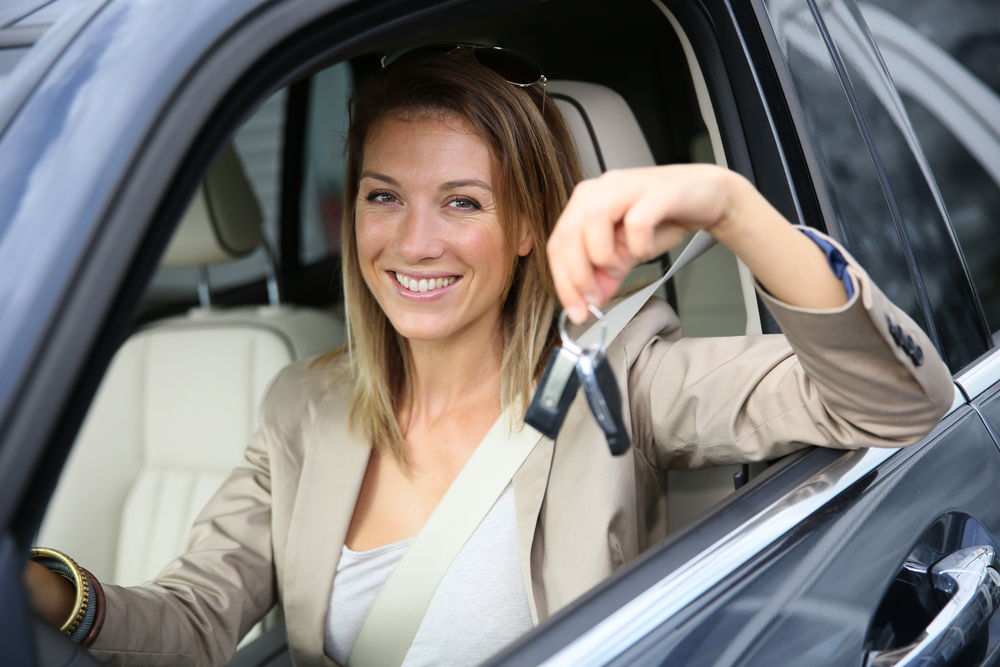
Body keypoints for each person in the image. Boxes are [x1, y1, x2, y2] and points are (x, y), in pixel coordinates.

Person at [24, 46, 953, 667]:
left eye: (463, 203)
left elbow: (899, 405)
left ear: (522, 229)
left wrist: (729, 205)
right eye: (384, 197)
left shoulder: (620, 376)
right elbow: (189, 624)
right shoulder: (304, 407)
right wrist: (38, 584)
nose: (413, 241)